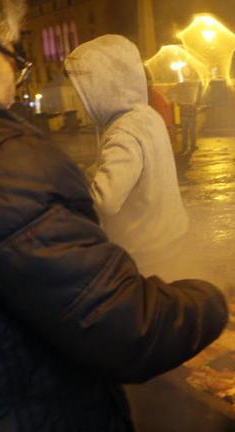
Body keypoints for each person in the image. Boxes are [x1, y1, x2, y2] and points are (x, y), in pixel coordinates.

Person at [0, 1, 228, 432]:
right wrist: (211, 297)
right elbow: (120, 325)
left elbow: (105, 210)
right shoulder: (0, 156)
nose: (15, 80)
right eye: (15, 57)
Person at [66, 35, 189, 279]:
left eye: (85, 91)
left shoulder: (124, 131)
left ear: (103, 87)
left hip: (145, 251)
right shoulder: (147, 116)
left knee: (152, 311)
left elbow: (106, 201)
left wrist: (74, 190)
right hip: (171, 236)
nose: (82, 100)